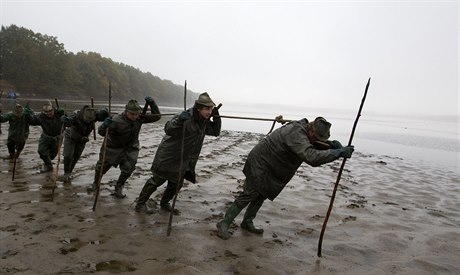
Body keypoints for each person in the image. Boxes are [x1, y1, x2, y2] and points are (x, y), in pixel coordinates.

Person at [216, 117, 355, 240]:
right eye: (319, 138)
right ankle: (224, 223)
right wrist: (337, 153)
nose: (319, 141)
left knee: (261, 195)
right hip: (260, 162)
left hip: (271, 166)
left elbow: (315, 144)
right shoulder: (297, 134)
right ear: (312, 132)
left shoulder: (306, 131)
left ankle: (247, 222)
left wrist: (331, 146)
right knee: (249, 194)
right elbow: (311, 156)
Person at [134, 92, 221, 214]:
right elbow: (168, 129)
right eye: (207, 109)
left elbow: (215, 132)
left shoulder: (203, 121)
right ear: (199, 108)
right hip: (169, 155)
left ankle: (164, 203)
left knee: (176, 184)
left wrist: (216, 118)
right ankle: (140, 204)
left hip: (184, 158)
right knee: (157, 180)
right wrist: (180, 121)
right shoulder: (185, 116)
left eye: (211, 109)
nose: (209, 111)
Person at [87, 97, 161, 198]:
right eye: (132, 114)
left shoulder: (140, 118)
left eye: (136, 114)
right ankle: (95, 183)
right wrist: (105, 125)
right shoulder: (116, 120)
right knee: (101, 168)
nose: (134, 116)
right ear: (126, 111)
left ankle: (119, 186)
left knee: (129, 168)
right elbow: (101, 132)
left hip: (130, 148)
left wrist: (153, 104)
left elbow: (156, 117)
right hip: (112, 147)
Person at [59, 105, 109, 183]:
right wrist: (66, 120)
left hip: (82, 139)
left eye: (90, 120)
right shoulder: (76, 115)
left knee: (76, 156)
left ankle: (69, 172)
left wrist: (105, 112)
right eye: (87, 119)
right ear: (83, 115)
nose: (89, 121)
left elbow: (105, 115)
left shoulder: (94, 115)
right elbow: (69, 121)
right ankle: (66, 172)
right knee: (68, 155)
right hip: (71, 136)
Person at [28, 101, 65, 173]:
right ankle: (48, 166)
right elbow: (32, 121)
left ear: (53, 110)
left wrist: (64, 116)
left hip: (58, 137)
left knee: (52, 156)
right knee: (41, 151)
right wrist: (28, 115)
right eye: (46, 113)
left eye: (50, 112)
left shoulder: (59, 114)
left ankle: (48, 162)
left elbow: (69, 121)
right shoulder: (41, 117)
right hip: (46, 136)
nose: (49, 114)